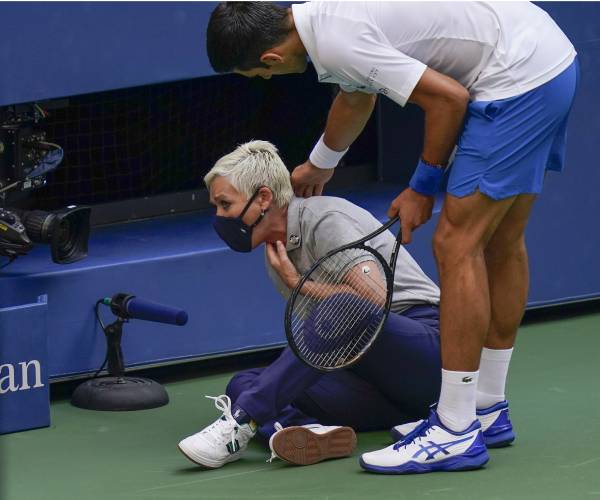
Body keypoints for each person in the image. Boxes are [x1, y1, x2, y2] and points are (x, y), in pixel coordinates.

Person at [206, 2, 579, 474]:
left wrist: (422, 187)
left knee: (455, 244)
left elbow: (448, 99)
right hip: (546, 59)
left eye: (258, 75)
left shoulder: (337, 39)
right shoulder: (324, 20)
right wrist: (323, 161)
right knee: (501, 242)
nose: (266, 81)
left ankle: (456, 429)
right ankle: (486, 409)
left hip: (515, 77)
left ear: (272, 59)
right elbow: (357, 94)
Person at [178, 140, 442, 468]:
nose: (219, 217)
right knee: (244, 382)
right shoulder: (276, 249)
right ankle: (304, 432)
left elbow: (373, 300)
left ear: (263, 198)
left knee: (339, 308)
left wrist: (300, 285)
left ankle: (243, 423)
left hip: (427, 353)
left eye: (224, 204)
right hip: (377, 385)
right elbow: (321, 349)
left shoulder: (323, 218)